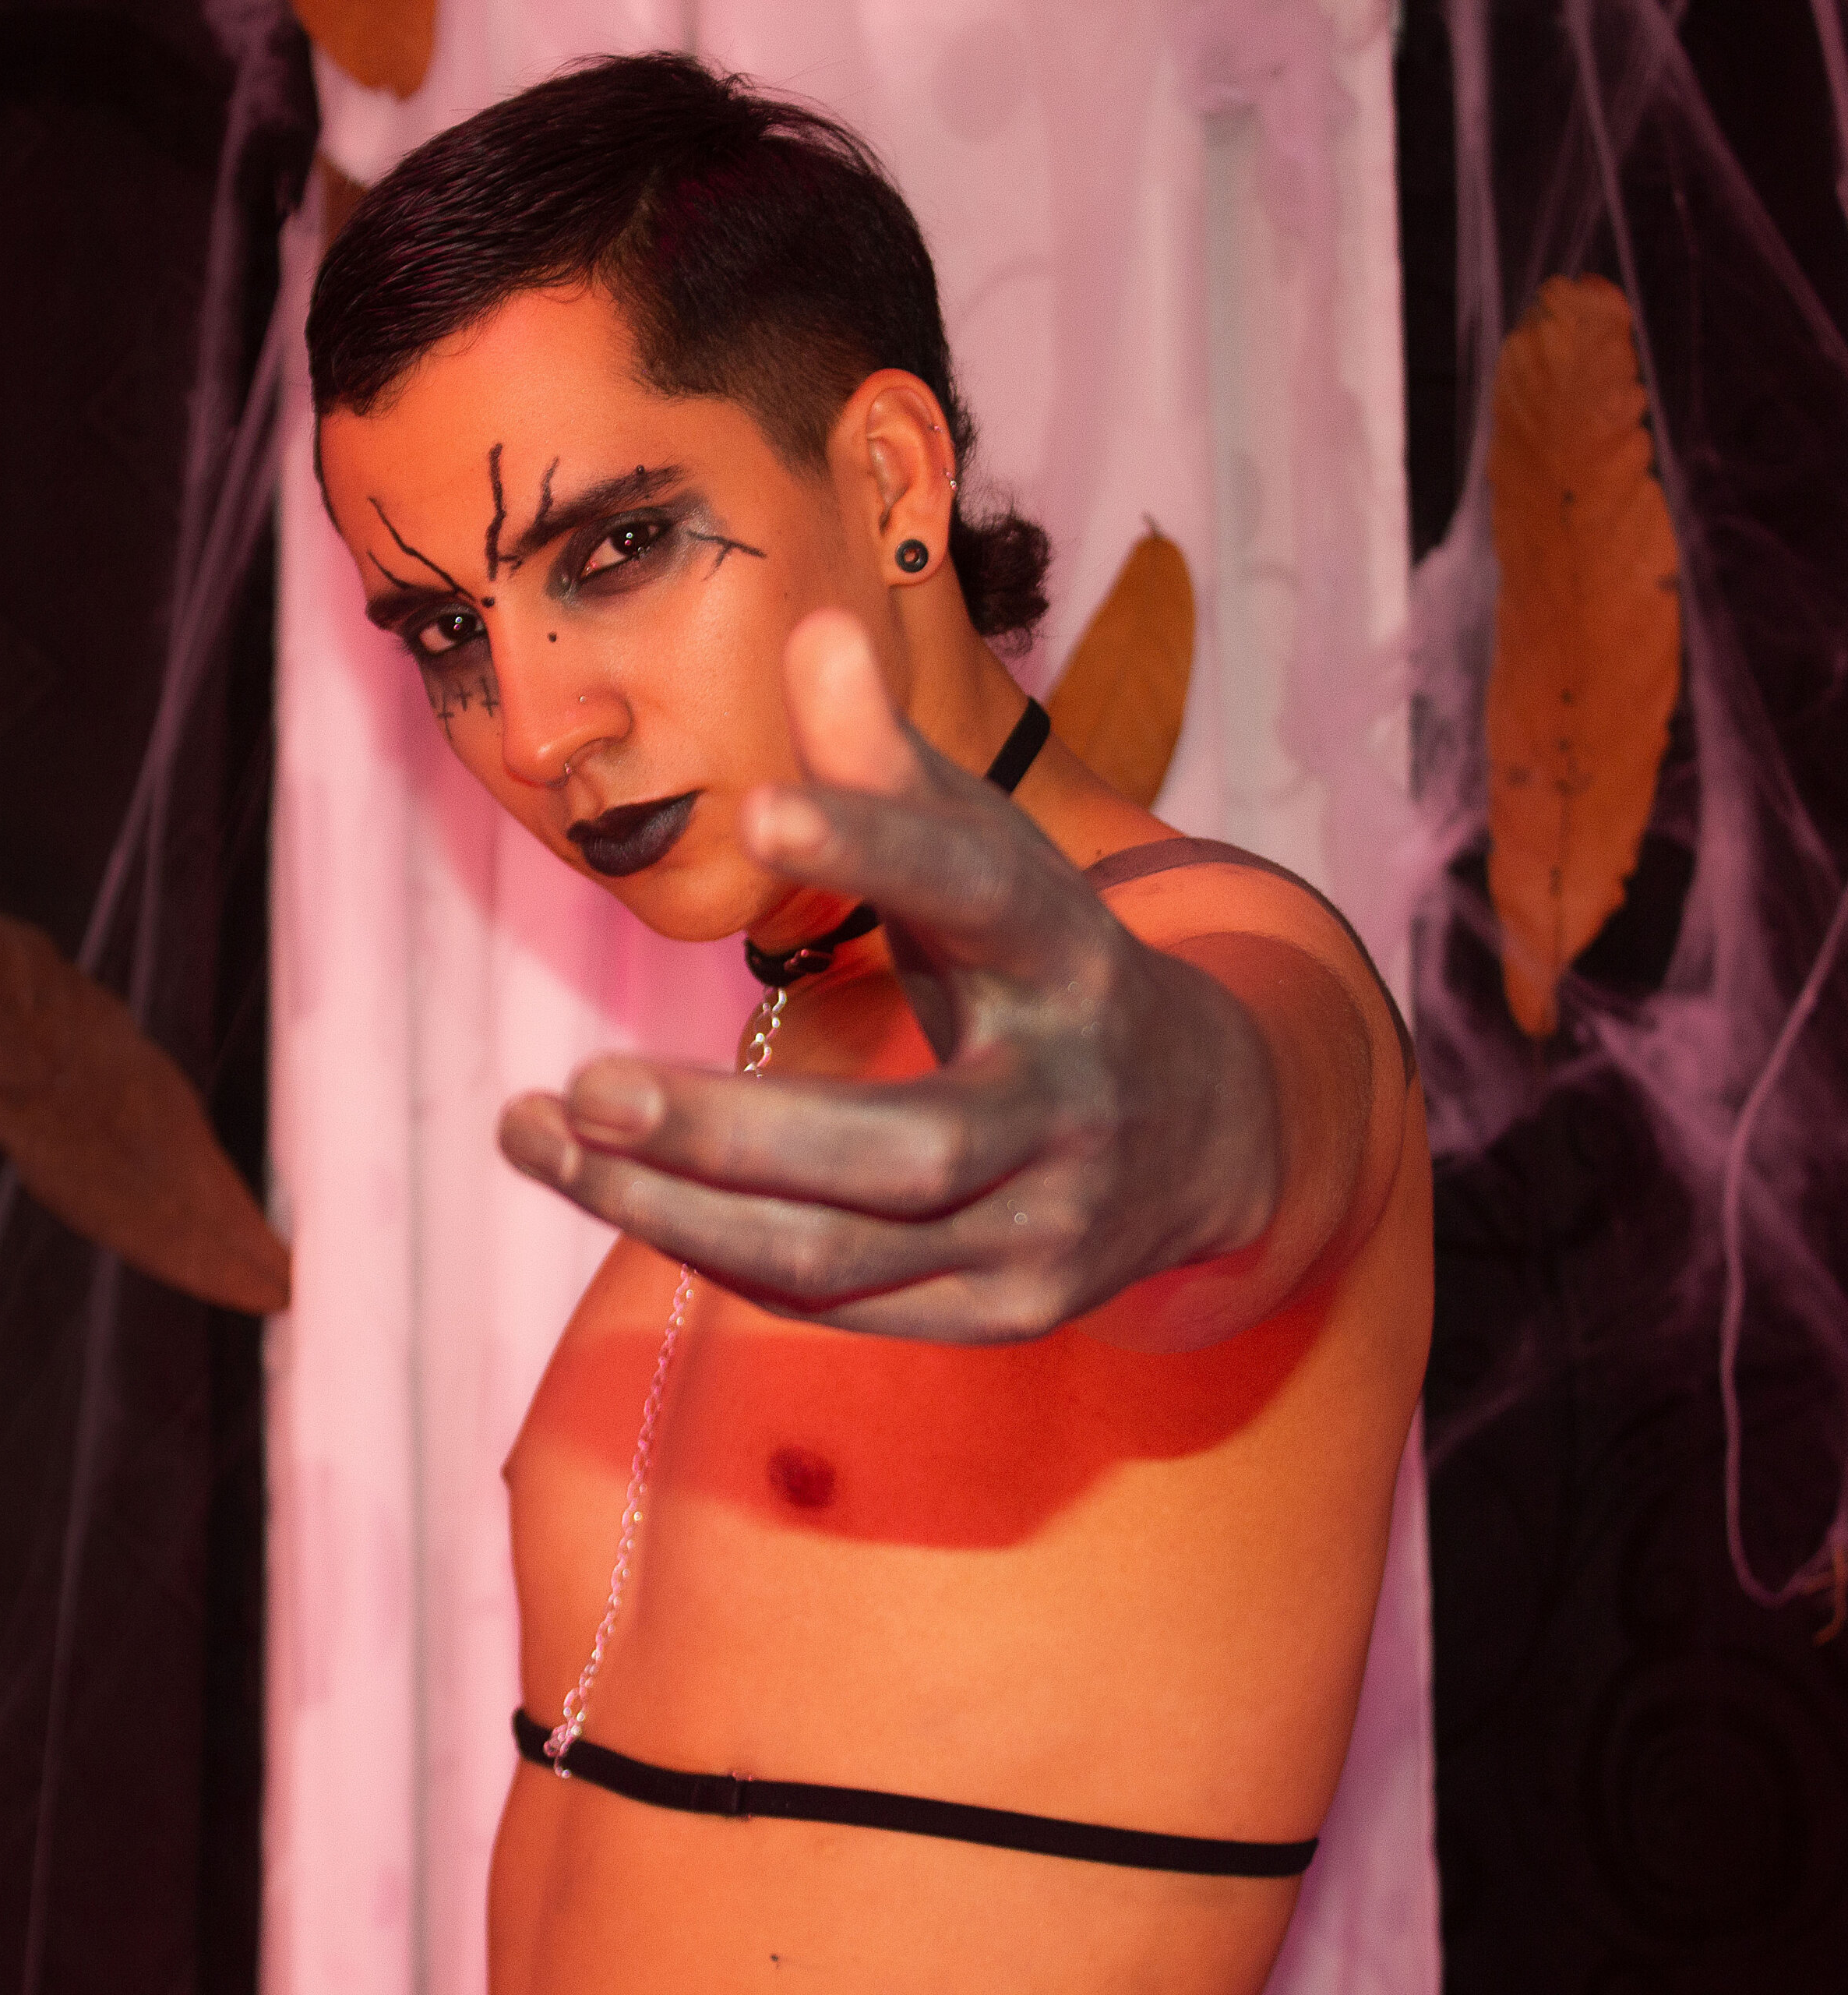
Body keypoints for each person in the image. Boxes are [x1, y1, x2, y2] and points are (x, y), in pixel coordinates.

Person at [305, 52, 1429, 1993]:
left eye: (612, 548)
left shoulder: (1214, 952)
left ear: (891, 479)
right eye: (448, 632)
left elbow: (1243, 1104)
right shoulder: (800, 1025)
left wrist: (1166, 1119)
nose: (539, 724)